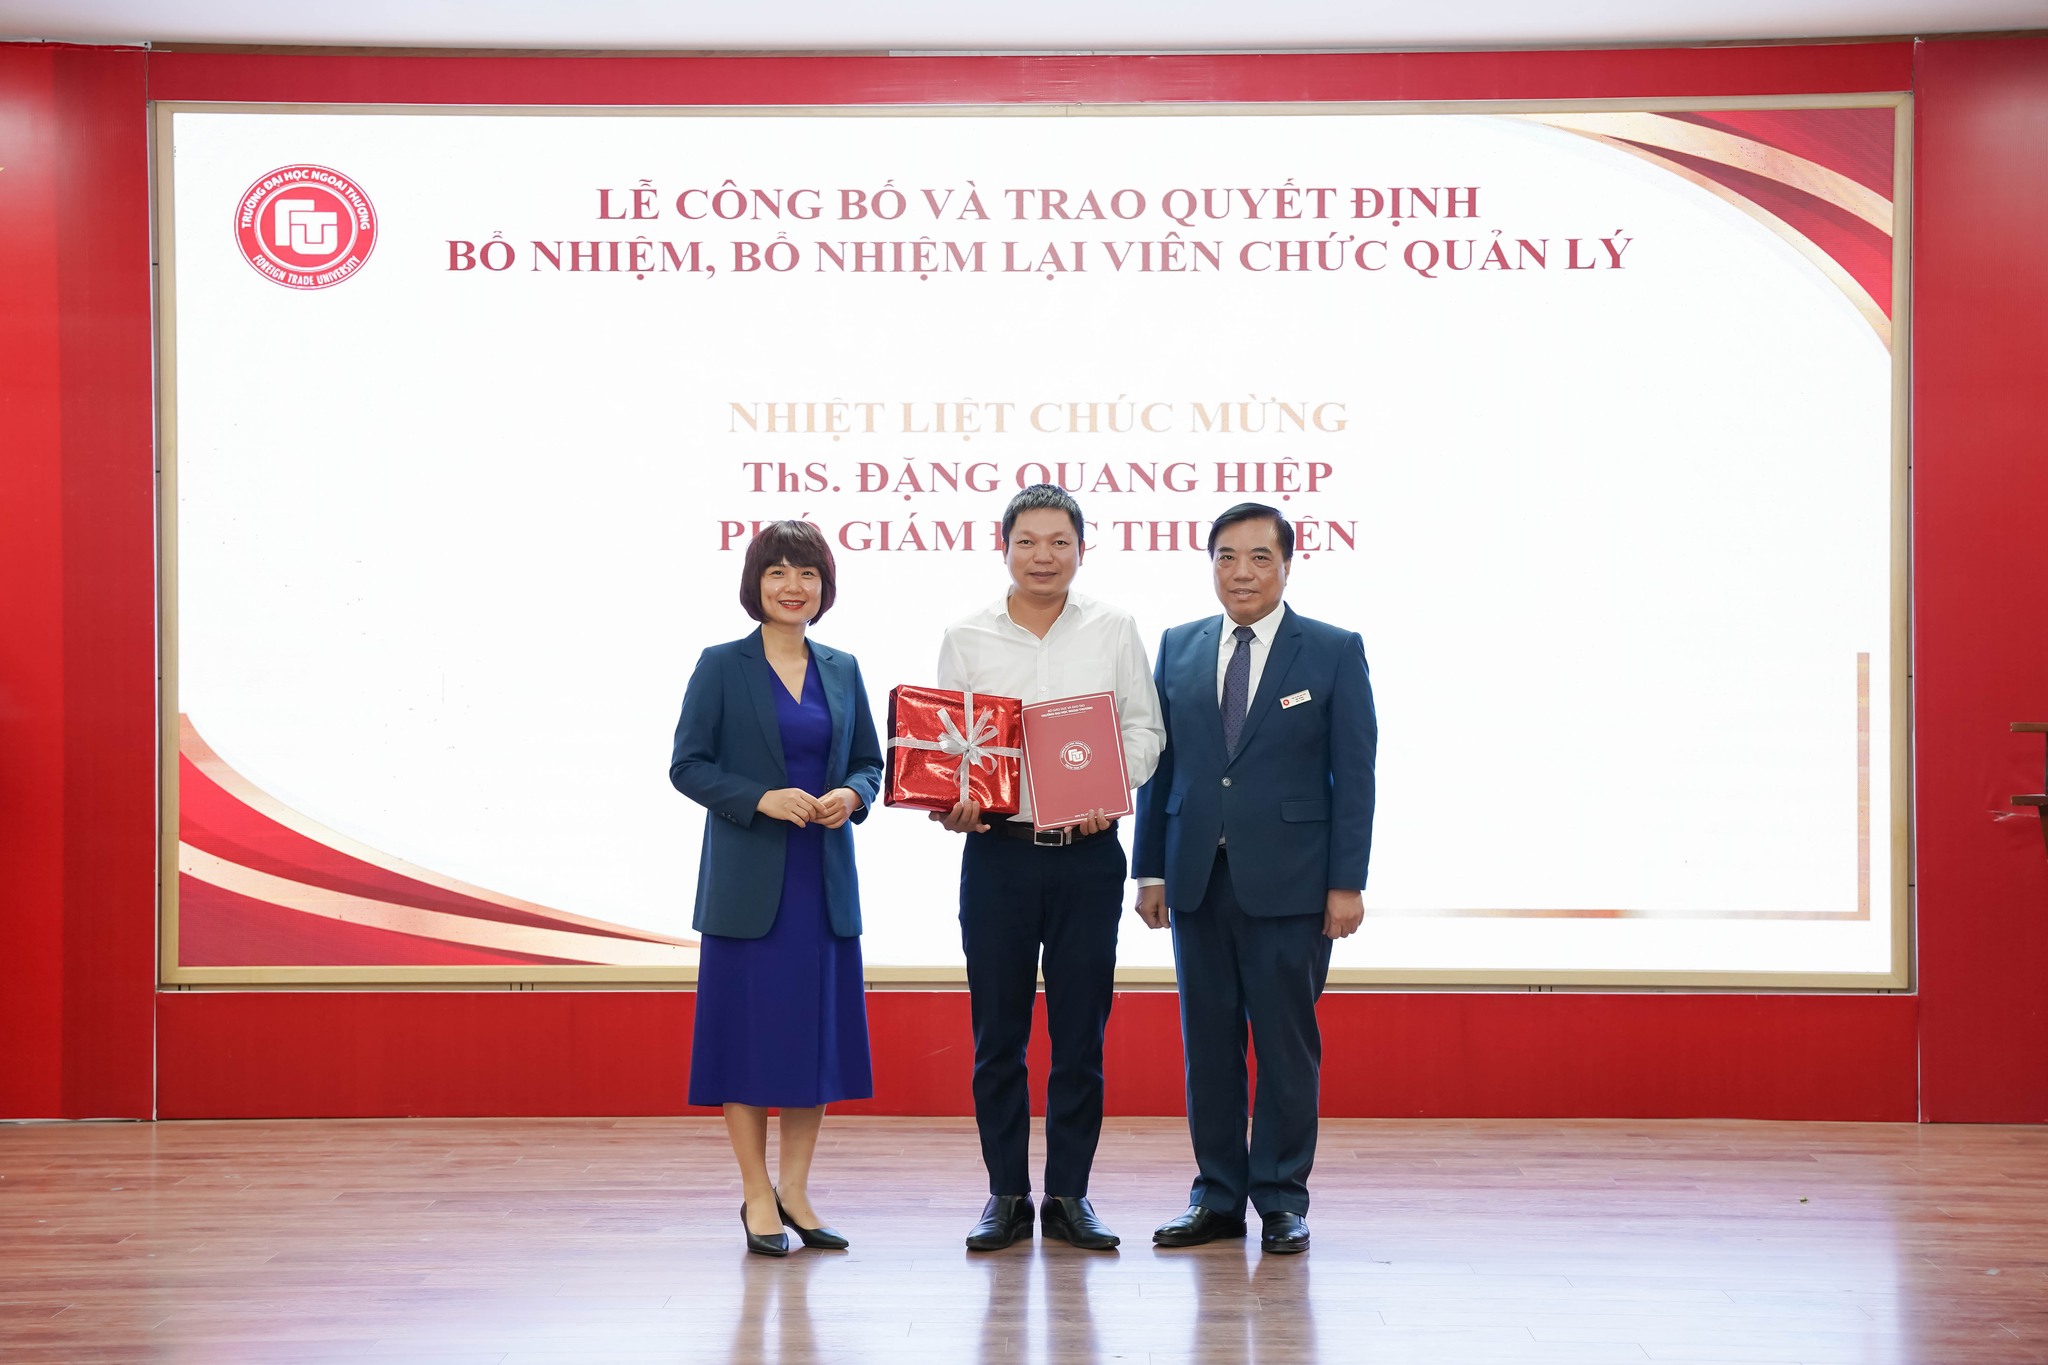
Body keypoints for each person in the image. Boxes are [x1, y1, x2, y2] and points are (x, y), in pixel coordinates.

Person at [1133, 502, 1377, 1255]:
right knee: (1207, 1048)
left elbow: (1356, 775)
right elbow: (1162, 766)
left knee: (1284, 1047)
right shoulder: (1178, 645)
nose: (1241, 572)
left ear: (1287, 566)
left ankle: (1280, 1198)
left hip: (1294, 884)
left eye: (1259, 557)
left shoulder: (1332, 650)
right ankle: (1215, 1196)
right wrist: (1149, 869)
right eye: (1227, 557)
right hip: (1196, 878)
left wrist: (1347, 882)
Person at [932, 484, 1165, 1252]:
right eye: (1027, 541)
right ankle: (1005, 1194)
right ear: (1002, 546)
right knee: (997, 1036)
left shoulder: (1114, 628)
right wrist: (954, 798)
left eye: (1059, 542)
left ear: (1081, 549)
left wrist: (1111, 788)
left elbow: (1145, 728)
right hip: (997, 855)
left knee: (1079, 1036)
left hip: (1086, 858)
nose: (1043, 556)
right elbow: (949, 745)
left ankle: (1069, 1194)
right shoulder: (966, 636)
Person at [670, 519, 884, 1258]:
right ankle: (756, 1192)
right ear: (755, 583)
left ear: (825, 586)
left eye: (808, 573)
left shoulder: (843, 667)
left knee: (810, 1044)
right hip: (747, 885)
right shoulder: (721, 665)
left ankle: (796, 1190)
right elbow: (688, 765)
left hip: (820, 882)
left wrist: (852, 796)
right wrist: (759, 798)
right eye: (778, 572)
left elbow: (868, 763)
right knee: (744, 1043)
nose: (794, 586)